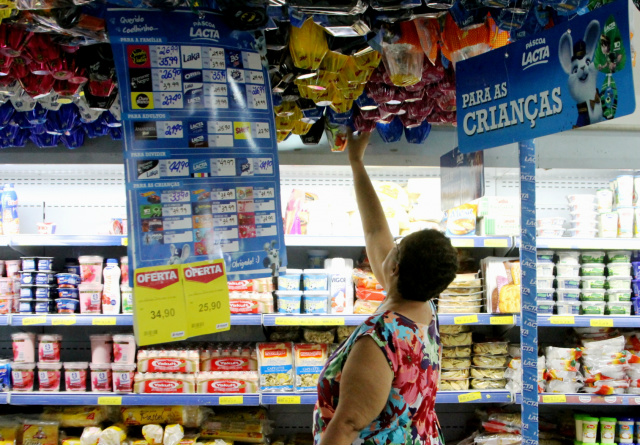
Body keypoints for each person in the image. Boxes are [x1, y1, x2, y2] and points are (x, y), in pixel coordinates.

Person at [313, 131, 459, 445]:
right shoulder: (423, 311)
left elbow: (348, 425)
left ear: (393, 268)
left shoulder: (380, 339)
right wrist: (356, 163)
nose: (389, 245)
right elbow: (376, 230)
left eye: (397, 246)